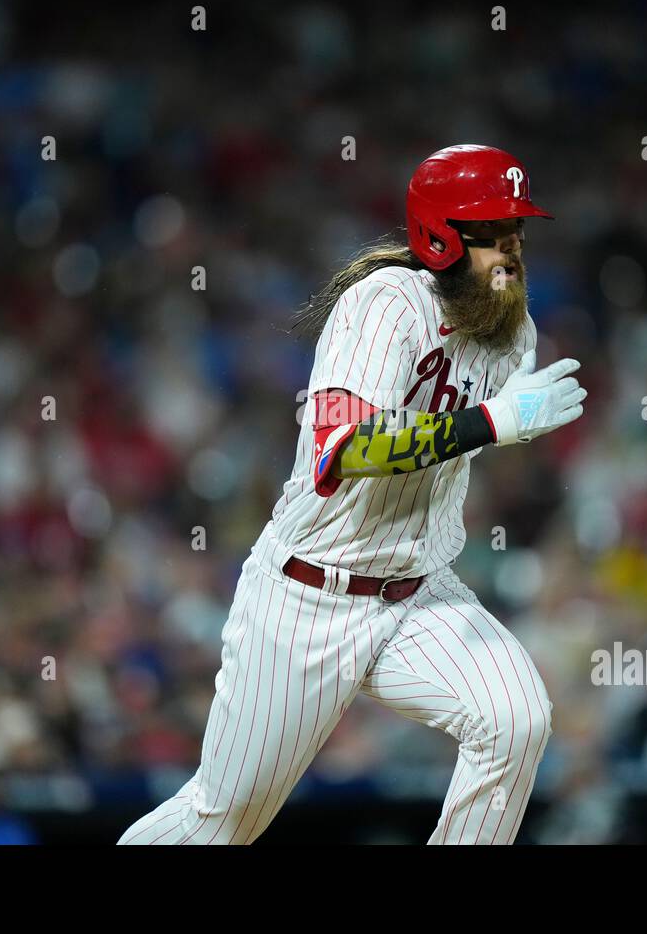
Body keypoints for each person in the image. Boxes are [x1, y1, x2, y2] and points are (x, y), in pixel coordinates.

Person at [119, 144, 588, 844]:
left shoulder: (512, 332)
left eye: (517, 234)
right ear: (441, 237)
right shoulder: (383, 305)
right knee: (220, 824)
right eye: (492, 236)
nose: (511, 254)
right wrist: (489, 422)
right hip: (309, 599)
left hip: (418, 593)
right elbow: (348, 449)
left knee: (515, 719)